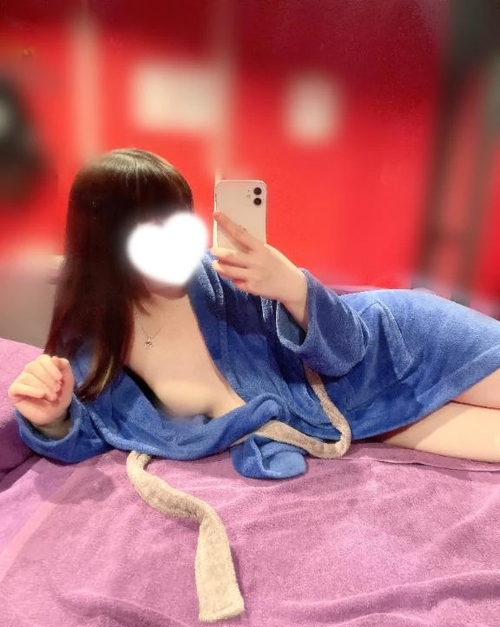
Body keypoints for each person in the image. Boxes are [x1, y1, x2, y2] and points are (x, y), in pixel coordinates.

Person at [8, 148, 500, 480]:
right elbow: (91, 431)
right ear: (104, 243)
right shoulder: (91, 349)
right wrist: (52, 420)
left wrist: (294, 289)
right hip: (365, 418)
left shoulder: (225, 277)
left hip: (403, 341)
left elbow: (347, 348)